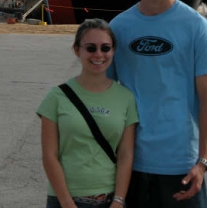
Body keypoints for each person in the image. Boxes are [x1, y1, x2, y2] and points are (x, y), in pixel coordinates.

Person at [108, 0, 207, 208]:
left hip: (181, 165)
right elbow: (103, 94)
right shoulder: (119, 27)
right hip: (130, 163)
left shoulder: (196, 27)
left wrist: (203, 162)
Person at [37, 18, 139, 208]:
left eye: (105, 48)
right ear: (77, 50)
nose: (98, 54)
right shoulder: (56, 97)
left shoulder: (126, 98)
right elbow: (49, 155)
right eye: (90, 48)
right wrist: (67, 202)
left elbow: (126, 154)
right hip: (65, 200)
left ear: (113, 51)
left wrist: (119, 200)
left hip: (109, 200)